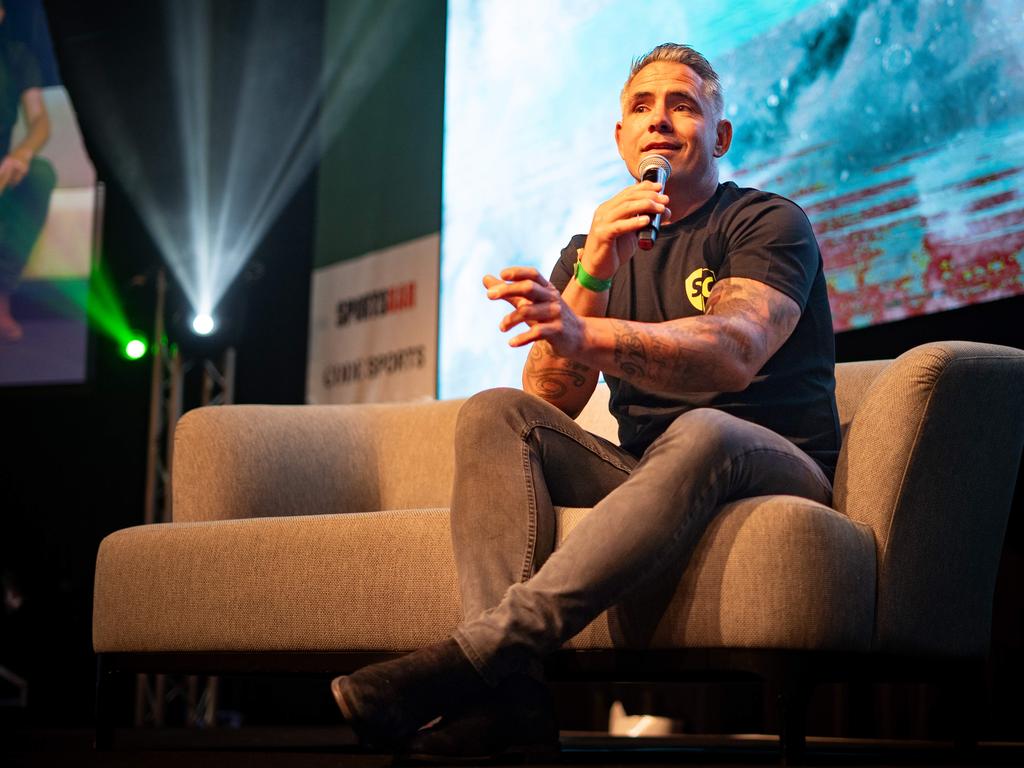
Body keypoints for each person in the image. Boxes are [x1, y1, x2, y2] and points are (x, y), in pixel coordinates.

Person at [331, 43, 840, 761]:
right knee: (495, 413)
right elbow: (549, 395)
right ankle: (511, 705)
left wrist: (583, 329)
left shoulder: (767, 222)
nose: (659, 120)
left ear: (720, 135)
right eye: (641, 107)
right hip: (653, 470)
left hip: (776, 462)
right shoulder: (591, 247)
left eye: (683, 105)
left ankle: (478, 654)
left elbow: (735, 352)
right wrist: (595, 269)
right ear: (621, 139)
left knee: (705, 429)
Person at [0, 0, 55, 342]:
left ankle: (0, 294)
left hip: (3, 173)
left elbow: (40, 121)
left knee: (39, 175)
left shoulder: (16, 56)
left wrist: (20, 153)